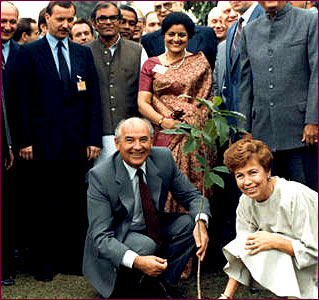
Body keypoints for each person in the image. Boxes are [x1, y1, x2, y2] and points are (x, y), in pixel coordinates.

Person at [18, 1, 102, 281]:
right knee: (44, 203)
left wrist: (93, 138)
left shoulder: (82, 53)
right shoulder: (29, 53)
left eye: (70, 19)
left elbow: (92, 100)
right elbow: (23, 100)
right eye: (60, 19)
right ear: (47, 19)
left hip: (77, 143)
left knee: (74, 202)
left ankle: (72, 260)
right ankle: (44, 263)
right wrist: (25, 140)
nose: (65, 25)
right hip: (42, 143)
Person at [83, 117, 210, 299]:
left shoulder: (163, 158)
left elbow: (193, 196)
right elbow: (101, 237)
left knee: (189, 223)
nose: (137, 146)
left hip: (152, 226)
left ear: (152, 140)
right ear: (117, 144)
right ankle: (128, 286)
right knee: (145, 245)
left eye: (143, 139)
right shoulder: (100, 176)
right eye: (130, 140)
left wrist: (201, 223)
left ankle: (160, 284)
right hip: (119, 235)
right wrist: (138, 261)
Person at [218, 139, 318, 299]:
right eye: (240, 176)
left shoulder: (294, 196)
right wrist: (226, 296)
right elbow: (242, 249)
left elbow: (314, 251)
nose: (247, 182)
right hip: (296, 257)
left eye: (253, 173)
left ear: (267, 171)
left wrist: (275, 241)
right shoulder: (245, 201)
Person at [239, 1, 318, 191]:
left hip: (300, 133)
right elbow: (245, 84)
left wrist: (313, 120)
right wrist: (245, 129)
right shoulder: (249, 31)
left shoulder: (309, 20)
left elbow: (317, 72)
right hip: (262, 135)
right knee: (269, 200)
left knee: (304, 199)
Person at [88, 1, 148, 162]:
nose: (108, 22)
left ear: (119, 21)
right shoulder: (85, 52)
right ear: (94, 23)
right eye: (102, 18)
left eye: (113, 18)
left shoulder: (137, 51)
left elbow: (146, 93)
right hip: (96, 137)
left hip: (131, 135)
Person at [141, 1, 218, 69]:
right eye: (158, 7)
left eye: (167, 5)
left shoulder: (205, 34)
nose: (163, 10)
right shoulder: (148, 40)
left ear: (180, 4)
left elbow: (213, 68)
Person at [224, 1, 264, 129]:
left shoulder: (266, 17)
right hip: (238, 122)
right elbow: (232, 82)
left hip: (261, 119)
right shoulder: (232, 30)